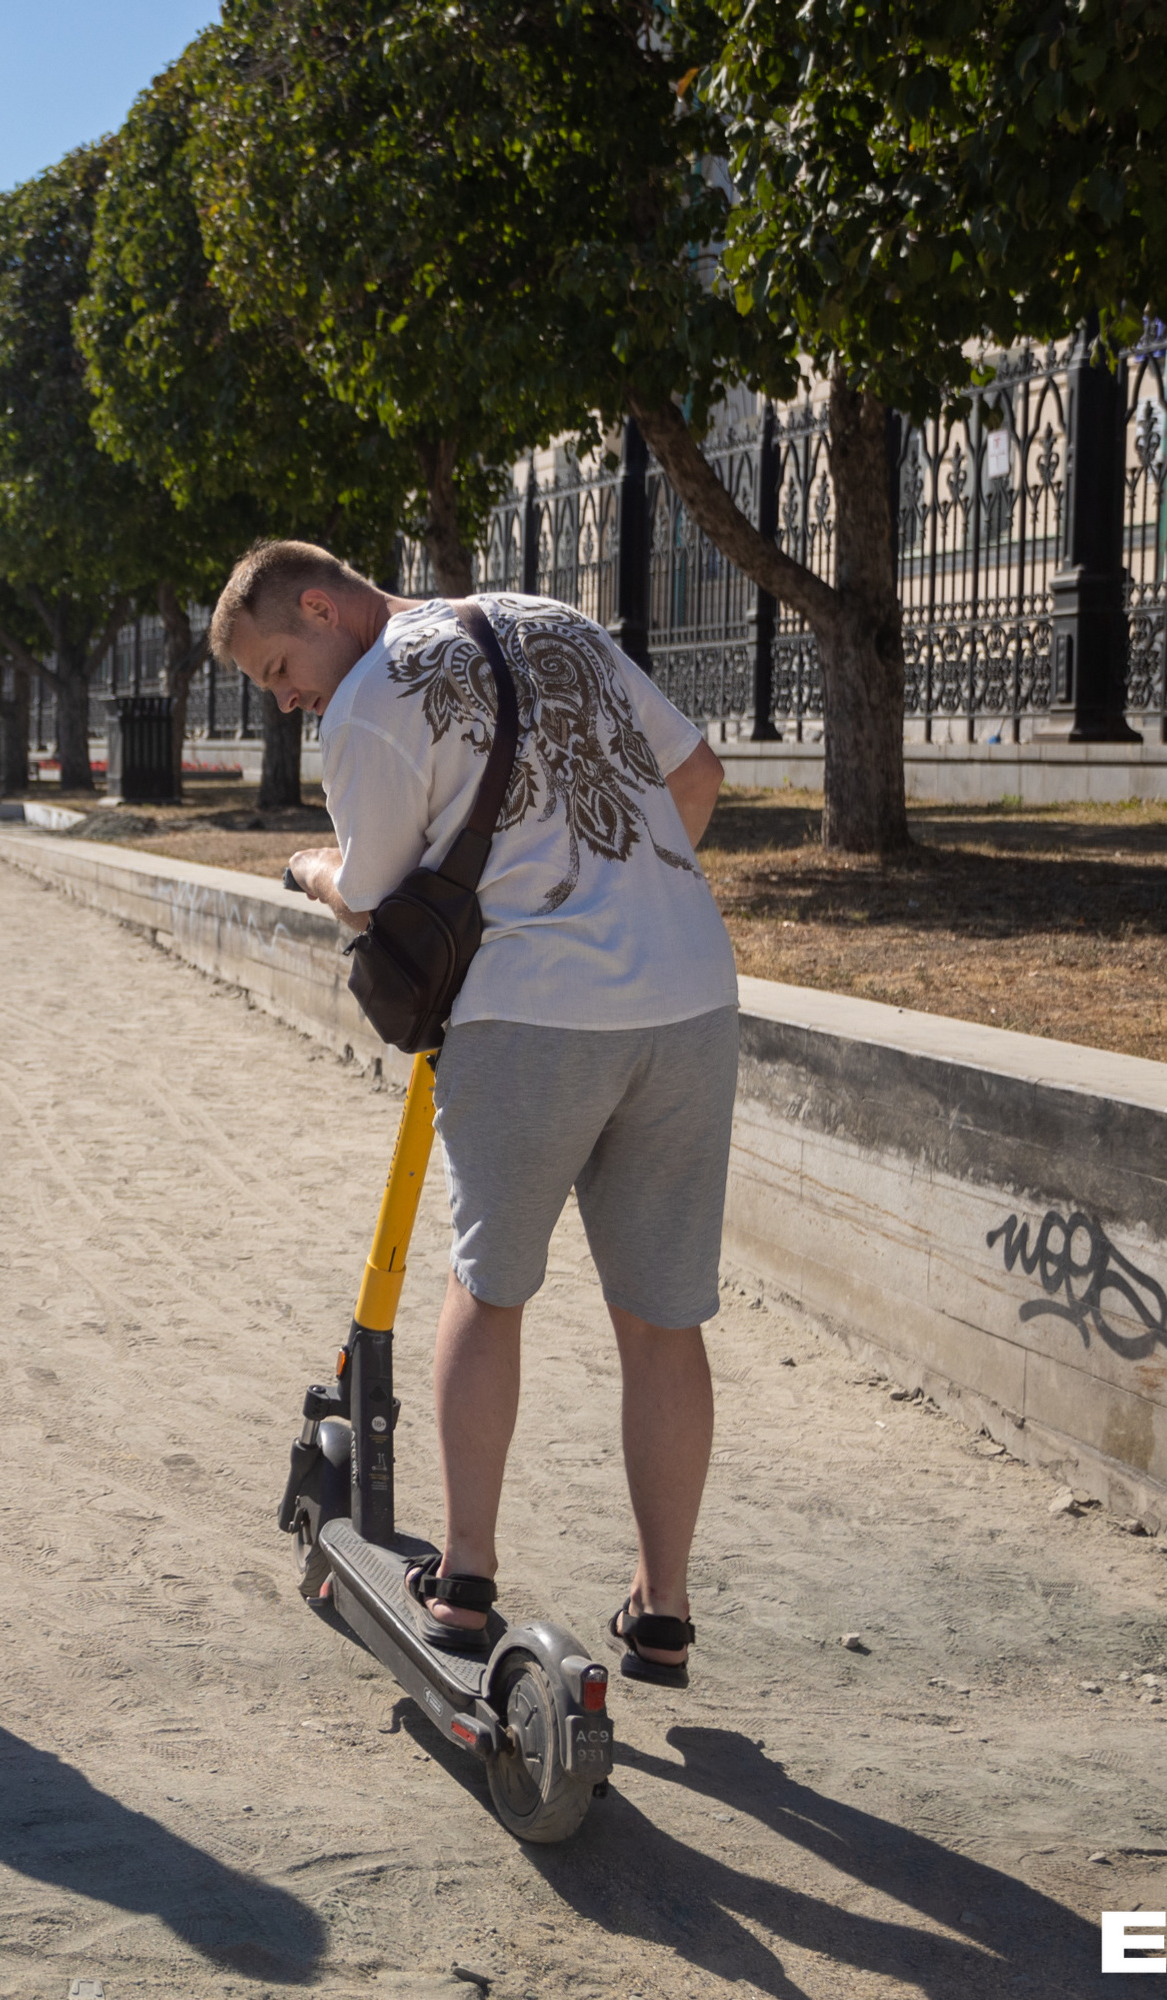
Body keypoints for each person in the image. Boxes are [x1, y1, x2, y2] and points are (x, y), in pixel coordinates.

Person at [211, 539, 733, 1689]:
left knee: (486, 1288)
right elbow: (696, 776)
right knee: (662, 1319)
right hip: (690, 995)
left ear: (320, 602)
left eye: (279, 667)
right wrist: (616, 898)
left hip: (534, 1012)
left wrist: (306, 869)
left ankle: (466, 1580)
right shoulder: (550, 617)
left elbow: (376, 893)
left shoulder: (369, 699)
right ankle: (663, 1610)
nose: (288, 700)